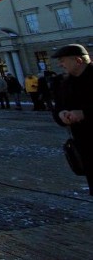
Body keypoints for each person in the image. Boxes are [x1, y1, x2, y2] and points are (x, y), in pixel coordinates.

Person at [50, 44, 93, 196]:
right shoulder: (66, 83)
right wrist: (61, 115)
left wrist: (85, 113)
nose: (60, 64)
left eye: (63, 60)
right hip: (85, 145)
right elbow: (58, 108)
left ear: (78, 60)